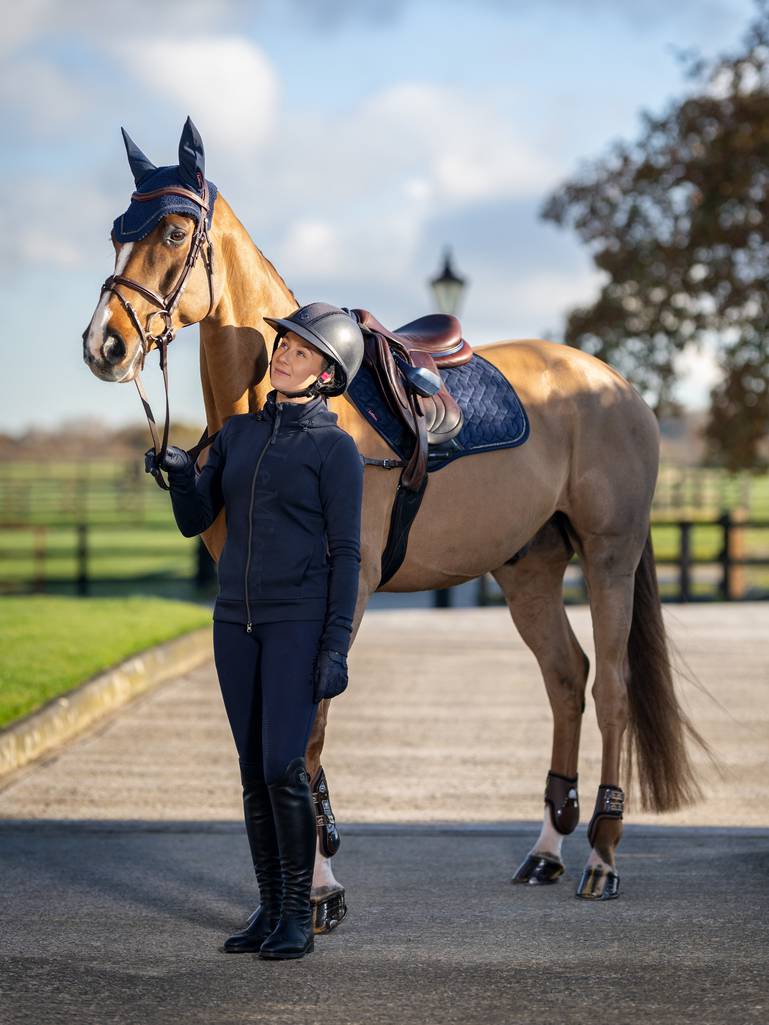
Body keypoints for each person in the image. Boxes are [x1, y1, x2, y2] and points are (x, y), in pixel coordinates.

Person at [145, 302, 365, 960]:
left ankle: (298, 911)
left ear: (327, 373)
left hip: (296, 623)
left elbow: (347, 555)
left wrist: (334, 649)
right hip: (232, 624)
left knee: (281, 766)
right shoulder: (236, 434)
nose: (284, 355)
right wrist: (185, 476)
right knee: (250, 772)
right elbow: (196, 519)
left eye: (300, 351)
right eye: (283, 345)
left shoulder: (336, 450)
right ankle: (269, 909)